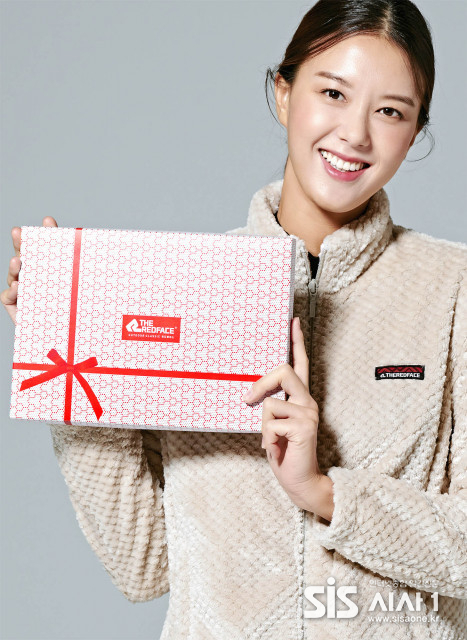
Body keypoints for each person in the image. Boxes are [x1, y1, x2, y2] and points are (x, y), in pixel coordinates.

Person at [3, 0, 466, 638]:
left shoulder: (453, 289)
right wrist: (71, 358)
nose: (356, 134)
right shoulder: (189, 286)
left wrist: (323, 492)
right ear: (284, 93)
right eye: (333, 93)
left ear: (414, 133)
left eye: (390, 111)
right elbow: (141, 565)